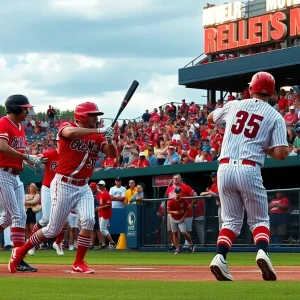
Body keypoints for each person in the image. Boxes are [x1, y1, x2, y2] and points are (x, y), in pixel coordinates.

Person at [9, 101, 116, 274]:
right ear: (82, 116)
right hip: (64, 184)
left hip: (83, 186)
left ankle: (79, 262)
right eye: (93, 115)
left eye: (97, 115)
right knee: (52, 229)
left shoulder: (98, 136)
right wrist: (99, 130)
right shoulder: (68, 126)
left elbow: (112, 154)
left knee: (89, 220)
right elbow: (69, 133)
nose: (96, 118)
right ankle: (20, 252)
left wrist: (110, 140)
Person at [208, 72, 289, 281]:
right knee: (259, 219)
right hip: (249, 167)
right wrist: (266, 149)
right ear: (271, 92)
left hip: (224, 169)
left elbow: (210, 118)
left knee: (231, 222)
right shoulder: (275, 116)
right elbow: (281, 154)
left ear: (251, 88)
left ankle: (220, 257)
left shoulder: (235, 104)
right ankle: (262, 252)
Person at [0, 94, 42, 272]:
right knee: (16, 215)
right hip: (2, 173)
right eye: (25, 108)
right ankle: (18, 258)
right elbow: (1, 147)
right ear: (16, 108)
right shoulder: (3, 122)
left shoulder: (20, 127)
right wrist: (26, 156)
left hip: (15, 175)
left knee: (15, 217)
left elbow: (14, 152)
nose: (28, 111)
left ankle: (18, 256)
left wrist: (29, 161)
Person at [167, 187, 195, 255]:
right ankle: (177, 248)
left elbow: (187, 209)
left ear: (180, 193)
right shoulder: (171, 201)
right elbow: (168, 210)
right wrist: (174, 212)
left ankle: (191, 244)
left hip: (180, 219)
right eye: (176, 193)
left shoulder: (183, 201)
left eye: (179, 193)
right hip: (173, 218)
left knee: (184, 232)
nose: (177, 194)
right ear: (175, 193)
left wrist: (183, 217)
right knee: (175, 233)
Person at [97, 180, 116, 250]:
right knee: (102, 229)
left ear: (103, 186)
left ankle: (112, 242)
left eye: (100, 185)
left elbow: (109, 204)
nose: (99, 186)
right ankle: (104, 244)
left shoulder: (106, 193)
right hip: (101, 213)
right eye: (99, 185)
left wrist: (100, 207)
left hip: (106, 213)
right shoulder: (101, 193)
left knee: (103, 229)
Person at [24, 183, 41, 255]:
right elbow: (23, 202)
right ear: (29, 188)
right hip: (26, 212)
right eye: (31, 187)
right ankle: (28, 244)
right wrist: (30, 203)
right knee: (26, 229)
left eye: (34, 187)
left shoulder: (37, 195)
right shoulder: (25, 195)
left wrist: (27, 203)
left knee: (32, 229)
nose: (32, 188)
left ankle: (32, 245)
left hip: (32, 212)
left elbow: (35, 202)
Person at [88, 182, 101, 250]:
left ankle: (101, 243)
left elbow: (100, 203)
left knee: (98, 229)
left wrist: (97, 209)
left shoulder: (99, 193)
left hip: (98, 212)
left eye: (93, 188)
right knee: (93, 229)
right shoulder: (89, 193)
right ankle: (92, 244)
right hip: (91, 212)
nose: (92, 189)